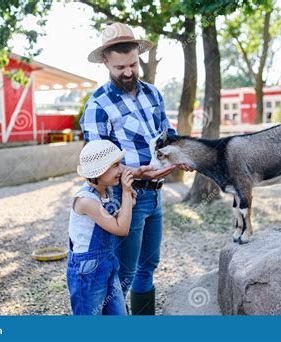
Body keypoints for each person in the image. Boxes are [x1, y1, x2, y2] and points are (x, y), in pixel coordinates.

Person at [81, 22, 192, 315]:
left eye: (133, 64)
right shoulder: (97, 106)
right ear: (105, 61)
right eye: (120, 67)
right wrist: (138, 172)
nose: (128, 72)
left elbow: (166, 134)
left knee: (148, 266)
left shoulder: (153, 94)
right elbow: (97, 166)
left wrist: (180, 154)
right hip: (126, 198)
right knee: (124, 273)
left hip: (155, 194)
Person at [67, 139, 136, 315]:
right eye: (115, 165)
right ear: (99, 170)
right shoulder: (86, 200)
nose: (121, 170)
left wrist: (128, 205)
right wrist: (126, 194)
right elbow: (121, 229)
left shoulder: (104, 190)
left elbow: (112, 222)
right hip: (88, 270)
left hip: (107, 262)